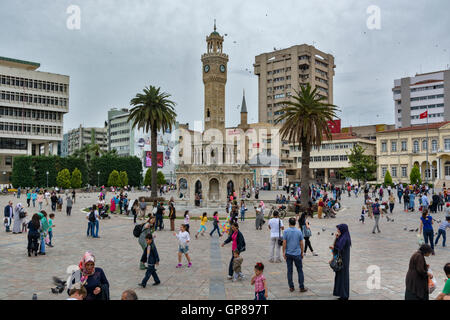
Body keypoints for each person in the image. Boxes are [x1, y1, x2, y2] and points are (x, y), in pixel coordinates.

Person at [282, 217, 307, 293]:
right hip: (297, 254)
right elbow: (301, 243)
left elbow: (284, 243)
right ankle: (301, 287)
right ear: (295, 223)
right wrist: (302, 252)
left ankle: (291, 287)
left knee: (289, 270)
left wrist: (283, 252)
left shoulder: (286, 231)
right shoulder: (299, 231)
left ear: (289, 223)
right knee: (300, 270)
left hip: (289, 253)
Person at [329, 224, 351, 300]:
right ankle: (341, 294)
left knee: (343, 277)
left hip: (343, 260)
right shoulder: (342, 237)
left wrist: (333, 247)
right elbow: (337, 246)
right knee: (340, 277)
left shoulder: (345, 238)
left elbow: (339, 248)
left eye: (338, 229)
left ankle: (344, 295)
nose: (337, 230)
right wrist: (336, 238)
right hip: (341, 259)